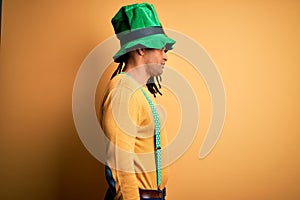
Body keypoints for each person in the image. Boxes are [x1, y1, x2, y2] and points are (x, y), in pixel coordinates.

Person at [99, 3, 175, 200]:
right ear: (141, 49)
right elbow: (120, 164)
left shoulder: (139, 91)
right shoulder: (123, 91)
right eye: (161, 49)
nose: (165, 57)